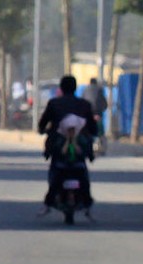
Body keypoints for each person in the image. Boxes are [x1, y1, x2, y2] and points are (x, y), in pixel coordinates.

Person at [38, 76, 97, 213]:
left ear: (61, 88)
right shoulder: (84, 104)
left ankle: (49, 201)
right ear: (75, 88)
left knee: (55, 169)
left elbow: (42, 124)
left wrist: (43, 130)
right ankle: (86, 200)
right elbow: (93, 128)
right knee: (82, 169)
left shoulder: (53, 103)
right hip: (79, 149)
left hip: (58, 148)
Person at [81, 78, 108, 147]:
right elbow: (104, 103)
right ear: (96, 83)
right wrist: (103, 109)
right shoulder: (99, 89)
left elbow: (82, 101)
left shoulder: (85, 89)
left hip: (88, 113)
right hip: (98, 112)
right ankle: (101, 143)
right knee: (100, 130)